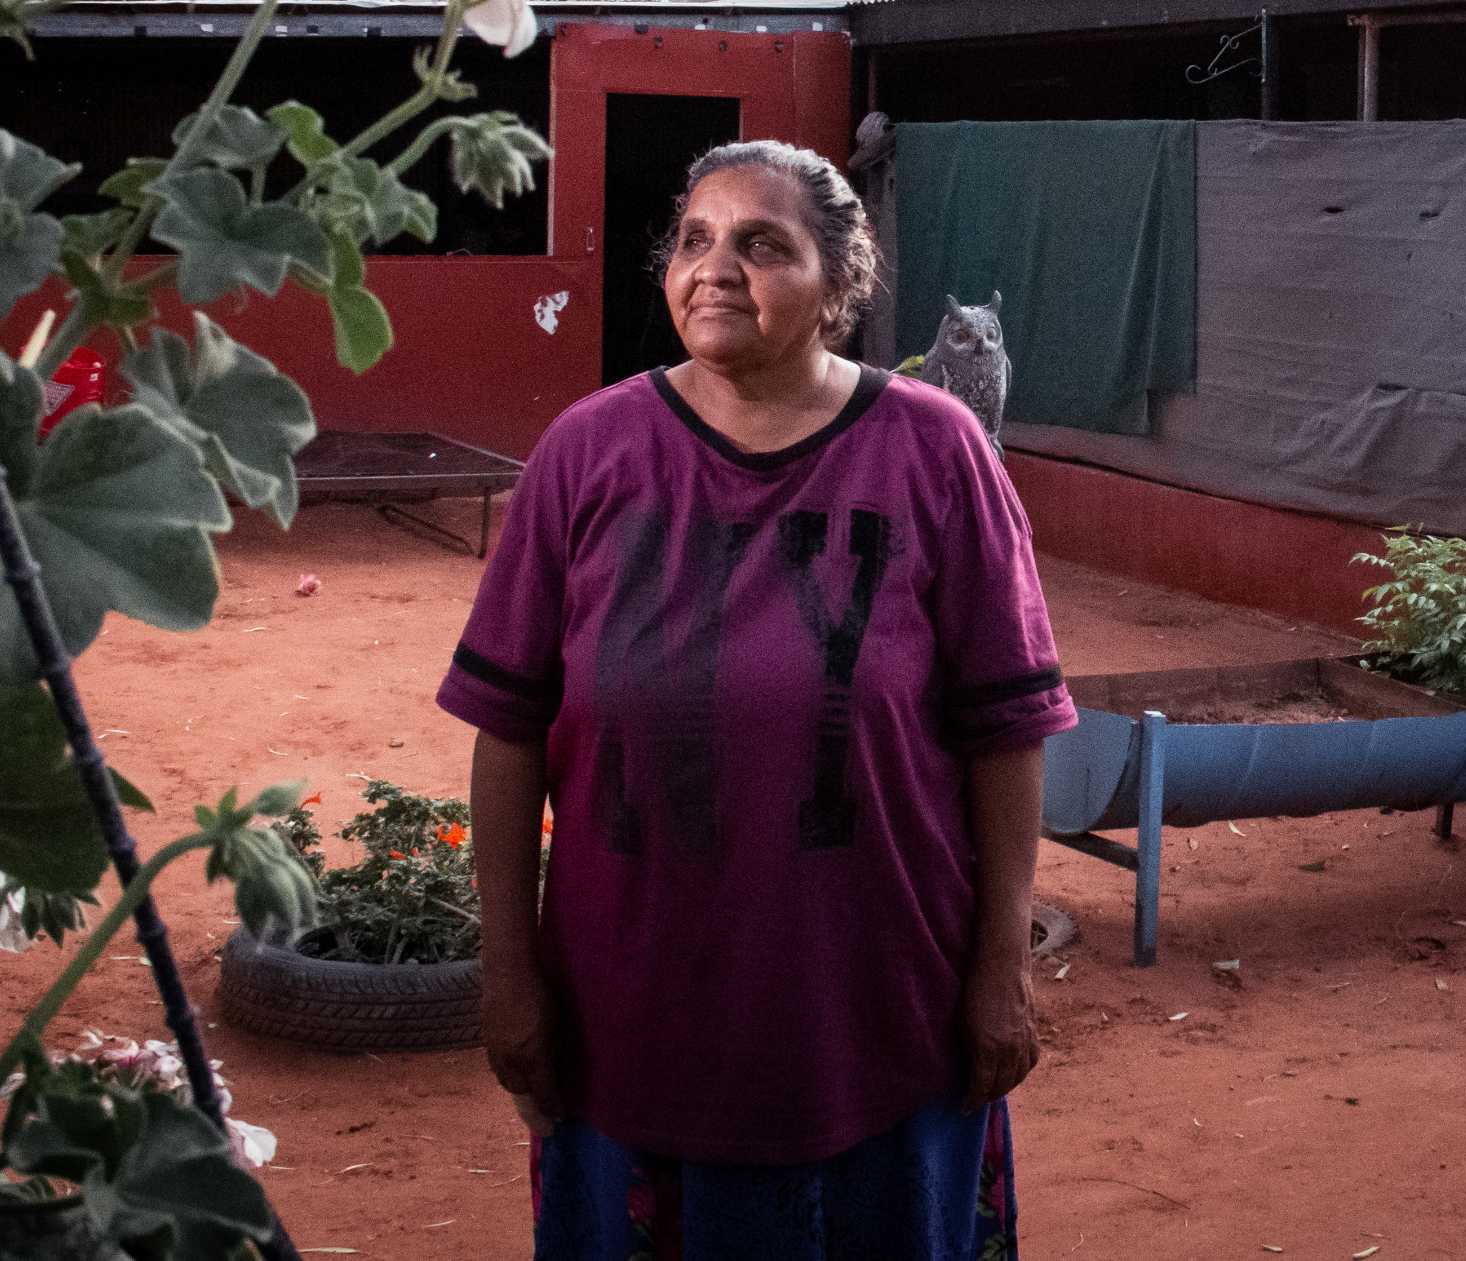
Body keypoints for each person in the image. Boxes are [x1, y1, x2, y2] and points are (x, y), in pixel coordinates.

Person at [437, 138, 1076, 1261]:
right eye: (694, 239)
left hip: (883, 1023)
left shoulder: (935, 451)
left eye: (761, 244)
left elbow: (1006, 729)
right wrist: (508, 977)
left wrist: (1001, 968)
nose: (714, 267)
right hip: (629, 1024)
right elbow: (509, 732)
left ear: (839, 284)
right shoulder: (586, 455)